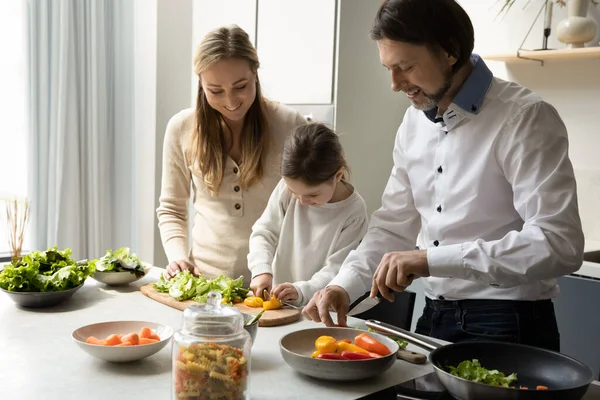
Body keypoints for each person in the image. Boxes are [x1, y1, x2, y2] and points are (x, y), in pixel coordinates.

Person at [302, 0, 583, 352]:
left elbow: (559, 243)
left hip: (509, 323)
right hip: (433, 316)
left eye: (405, 66)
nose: (394, 84)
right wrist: (343, 286)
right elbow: (392, 226)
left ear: (450, 51)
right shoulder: (412, 123)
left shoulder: (525, 118)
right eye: (388, 68)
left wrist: (429, 260)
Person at [157, 25, 306, 285]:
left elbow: (314, 208)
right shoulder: (181, 128)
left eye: (241, 86)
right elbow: (172, 209)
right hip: (206, 285)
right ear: (201, 84)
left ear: (255, 74)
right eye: (215, 90)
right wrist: (178, 258)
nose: (231, 100)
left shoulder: (290, 124)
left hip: (276, 287)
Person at [248, 123, 368, 306]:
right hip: (279, 304)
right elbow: (264, 232)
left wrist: (301, 290)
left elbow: (337, 269)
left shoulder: (353, 211)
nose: (302, 201)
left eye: (313, 194)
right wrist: (261, 270)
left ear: (337, 176)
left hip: (319, 309)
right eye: (294, 191)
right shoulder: (285, 190)